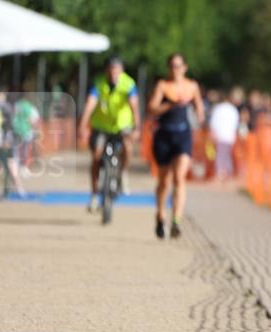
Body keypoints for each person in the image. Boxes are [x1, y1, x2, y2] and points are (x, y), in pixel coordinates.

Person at [148, 53, 204, 239]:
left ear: (185, 67)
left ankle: (176, 221)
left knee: (180, 177)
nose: (175, 69)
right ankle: (160, 215)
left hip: (183, 134)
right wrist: (170, 105)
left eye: (178, 66)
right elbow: (152, 108)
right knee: (164, 181)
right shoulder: (163, 86)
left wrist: (199, 118)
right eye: (172, 65)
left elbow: (199, 109)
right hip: (164, 134)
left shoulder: (192, 86)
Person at [78, 58, 141, 212]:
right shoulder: (99, 83)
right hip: (101, 125)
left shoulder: (128, 84)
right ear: (106, 71)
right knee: (96, 157)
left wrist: (137, 127)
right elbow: (90, 104)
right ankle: (94, 194)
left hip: (122, 125)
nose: (114, 74)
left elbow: (134, 106)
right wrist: (82, 124)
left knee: (127, 146)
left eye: (117, 70)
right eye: (111, 70)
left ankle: (123, 172)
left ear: (122, 71)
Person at [208, 90, 240, 180]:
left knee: (220, 155)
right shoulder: (233, 109)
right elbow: (236, 123)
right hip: (229, 136)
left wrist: (213, 132)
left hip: (220, 135)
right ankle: (227, 172)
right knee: (226, 154)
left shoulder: (218, 108)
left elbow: (213, 121)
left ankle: (221, 172)